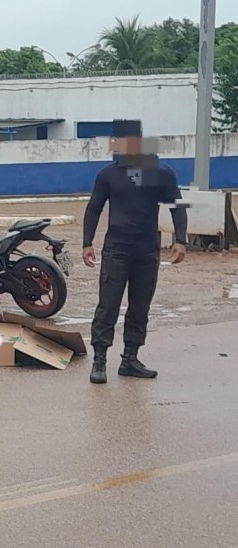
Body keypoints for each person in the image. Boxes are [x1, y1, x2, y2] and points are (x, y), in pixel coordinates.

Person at [83, 119, 188, 384]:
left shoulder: (159, 172)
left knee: (140, 307)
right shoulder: (108, 175)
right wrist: (87, 243)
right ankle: (100, 361)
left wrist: (181, 240)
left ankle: (129, 359)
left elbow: (178, 205)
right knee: (108, 306)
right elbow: (94, 208)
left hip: (146, 251)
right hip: (116, 249)